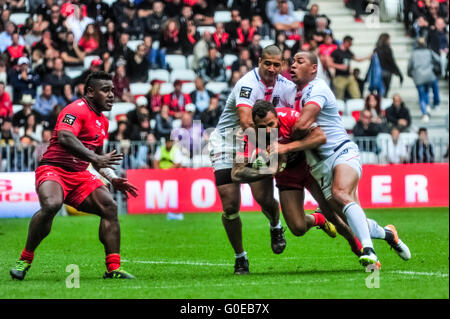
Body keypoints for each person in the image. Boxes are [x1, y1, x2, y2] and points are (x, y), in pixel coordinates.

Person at [285, 51, 410, 268]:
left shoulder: (318, 88)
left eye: (299, 61)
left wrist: (284, 143)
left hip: (341, 152)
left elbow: (302, 125)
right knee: (348, 220)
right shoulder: (291, 95)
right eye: (292, 62)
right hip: (320, 168)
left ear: (314, 68)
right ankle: (388, 234)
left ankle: (369, 251)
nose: (293, 65)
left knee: (340, 193)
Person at [10, 71, 139, 281]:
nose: (111, 95)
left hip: (79, 174)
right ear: (90, 92)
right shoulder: (75, 110)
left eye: (112, 91)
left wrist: (112, 177)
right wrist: (94, 159)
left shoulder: (103, 123)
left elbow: (96, 156)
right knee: (52, 204)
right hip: (54, 169)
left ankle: (113, 268)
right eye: (105, 90)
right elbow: (65, 137)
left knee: (110, 207)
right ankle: (25, 259)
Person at [231, 100, 364, 258]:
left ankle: (357, 244)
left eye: (271, 124)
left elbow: (320, 137)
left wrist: (287, 147)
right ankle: (318, 219)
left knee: (332, 212)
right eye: (262, 127)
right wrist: (266, 172)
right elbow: (236, 173)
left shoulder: (290, 117)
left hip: (309, 168)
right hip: (287, 177)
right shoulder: (250, 135)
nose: (267, 131)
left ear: (277, 118)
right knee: (297, 228)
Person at [208, 45, 296, 275]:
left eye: (277, 64)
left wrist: (283, 147)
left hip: (260, 140)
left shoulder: (287, 88)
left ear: (282, 65)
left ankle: (276, 226)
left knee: (264, 198)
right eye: (268, 63)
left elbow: (288, 119)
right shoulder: (247, 83)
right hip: (228, 142)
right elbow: (247, 122)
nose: (272, 68)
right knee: (230, 205)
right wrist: (269, 148)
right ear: (259, 61)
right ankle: (240, 258)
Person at [327, 35, 371, 100]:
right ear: (345, 42)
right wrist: (339, 66)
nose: (351, 45)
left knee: (356, 95)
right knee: (339, 97)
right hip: (339, 77)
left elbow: (358, 59)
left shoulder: (348, 52)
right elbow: (329, 63)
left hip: (349, 76)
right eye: (350, 43)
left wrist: (368, 57)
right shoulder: (336, 52)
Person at [407, 37, 440, 122]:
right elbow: (438, 59)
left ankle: (425, 113)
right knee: (428, 90)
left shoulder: (414, 53)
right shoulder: (429, 51)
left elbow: (409, 66)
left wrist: (410, 74)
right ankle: (431, 105)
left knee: (421, 95)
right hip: (429, 75)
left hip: (419, 77)